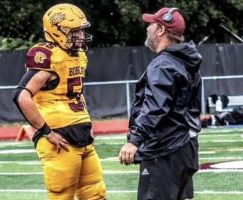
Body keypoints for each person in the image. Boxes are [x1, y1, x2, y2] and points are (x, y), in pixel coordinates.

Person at [13, 3, 106, 200]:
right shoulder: (48, 56)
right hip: (60, 138)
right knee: (62, 195)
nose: (81, 35)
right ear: (58, 31)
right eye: (76, 31)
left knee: (95, 193)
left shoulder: (78, 55)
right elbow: (22, 96)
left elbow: (77, 93)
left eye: (82, 30)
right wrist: (46, 132)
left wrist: (88, 122)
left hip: (81, 133)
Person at [119, 7, 202, 200]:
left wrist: (134, 141)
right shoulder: (187, 62)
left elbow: (155, 107)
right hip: (186, 146)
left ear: (161, 30)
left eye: (151, 24)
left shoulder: (163, 64)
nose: (147, 28)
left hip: (165, 148)